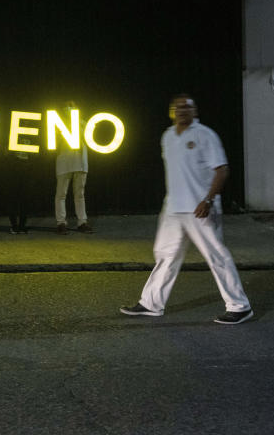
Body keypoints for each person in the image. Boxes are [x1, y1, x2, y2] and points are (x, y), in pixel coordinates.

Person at [120, 94, 253, 325]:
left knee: (216, 256)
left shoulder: (205, 135)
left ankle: (240, 307)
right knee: (166, 256)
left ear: (195, 111)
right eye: (177, 107)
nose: (181, 110)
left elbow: (221, 170)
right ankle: (151, 304)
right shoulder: (167, 136)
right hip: (173, 209)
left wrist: (208, 200)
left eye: (187, 107)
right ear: (171, 112)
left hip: (200, 208)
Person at [55, 100, 92, 234]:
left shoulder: (83, 123)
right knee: (61, 194)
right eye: (66, 106)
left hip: (80, 163)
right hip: (64, 162)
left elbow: (90, 138)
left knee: (80, 194)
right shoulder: (57, 124)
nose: (68, 108)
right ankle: (61, 222)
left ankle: (82, 222)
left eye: (71, 106)